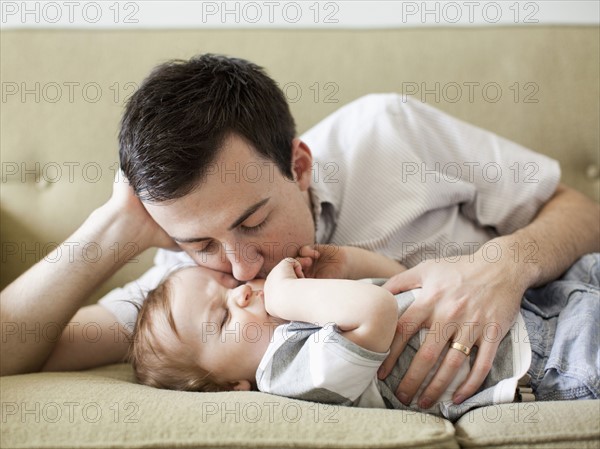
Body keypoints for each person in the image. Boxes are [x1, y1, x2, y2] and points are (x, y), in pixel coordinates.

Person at [1, 54, 598, 410]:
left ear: (300, 165)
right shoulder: (186, 297)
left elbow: (580, 211)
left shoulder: (387, 132)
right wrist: (112, 228)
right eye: (202, 242)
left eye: (252, 221)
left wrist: (504, 263)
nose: (239, 270)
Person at [128, 248, 600, 422]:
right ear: (231, 388)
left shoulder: (299, 325)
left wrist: (350, 264)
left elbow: (397, 284)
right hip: (550, 357)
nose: (244, 296)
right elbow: (376, 312)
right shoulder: (288, 373)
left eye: (229, 288)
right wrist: (286, 291)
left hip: (543, 298)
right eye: (225, 320)